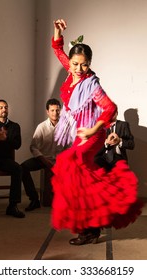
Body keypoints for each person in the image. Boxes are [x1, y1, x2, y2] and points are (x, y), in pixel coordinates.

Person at [51, 19, 143, 245]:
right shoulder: (70, 72)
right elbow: (56, 48)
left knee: (71, 167)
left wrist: (93, 130)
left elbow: (111, 108)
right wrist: (57, 30)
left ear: (89, 63)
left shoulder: (91, 84)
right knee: (82, 182)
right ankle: (91, 227)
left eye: (84, 64)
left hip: (92, 136)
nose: (79, 69)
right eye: (75, 64)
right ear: (70, 63)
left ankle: (90, 227)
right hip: (78, 134)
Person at [21, 98, 65, 211]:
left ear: (60, 111)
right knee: (23, 167)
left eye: (57, 110)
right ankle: (34, 199)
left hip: (60, 160)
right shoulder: (41, 127)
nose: (55, 113)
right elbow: (33, 147)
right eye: (52, 110)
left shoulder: (66, 127)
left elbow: (69, 146)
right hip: (44, 159)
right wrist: (44, 160)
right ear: (47, 111)